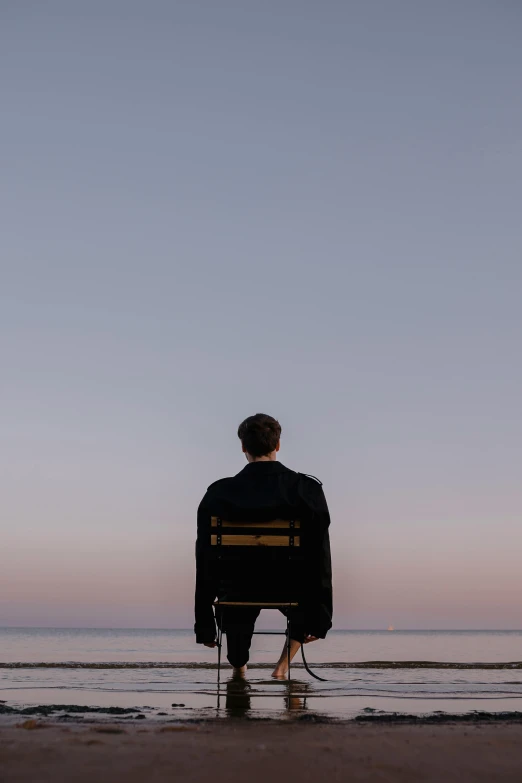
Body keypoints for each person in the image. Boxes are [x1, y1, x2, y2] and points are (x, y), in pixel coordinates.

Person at [194, 413, 333, 678]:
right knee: (305, 593)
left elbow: (205, 560)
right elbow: (321, 558)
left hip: (236, 589)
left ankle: (239, 666)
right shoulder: (307, 490)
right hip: (291, 588)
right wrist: (322, 617)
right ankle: (281, 668)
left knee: (235, 598)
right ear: (277, 445)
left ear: (243, 447)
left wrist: (204, 624)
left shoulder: (218, 493)